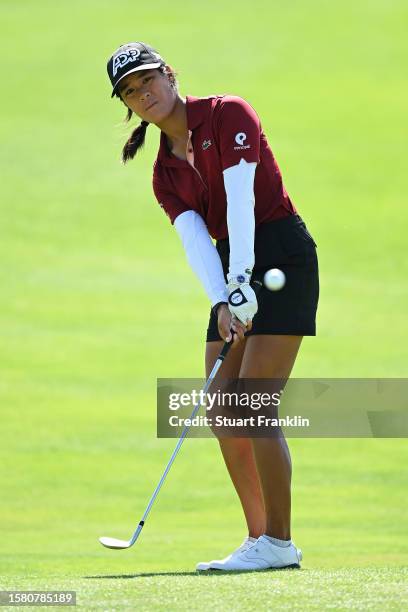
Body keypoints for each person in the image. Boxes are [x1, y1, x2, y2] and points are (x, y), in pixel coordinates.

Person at [106, 42, 319, 571]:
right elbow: (197, 243)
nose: (144, 92)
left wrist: (242, 280)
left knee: (253, 402)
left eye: (147, 79)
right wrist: (223, 298)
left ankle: (279, 540)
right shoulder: (164, 173)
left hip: (281, 256)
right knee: (222, 404)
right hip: (233, 267)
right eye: (131, 91)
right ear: (129, 105)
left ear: (169, 74)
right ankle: (259, 539)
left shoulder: (228, 114)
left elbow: (242, 201)